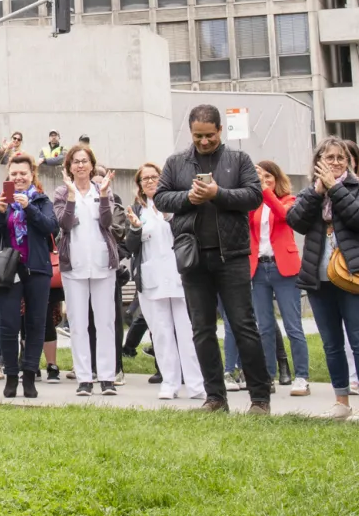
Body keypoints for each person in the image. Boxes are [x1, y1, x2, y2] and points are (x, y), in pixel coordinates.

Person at [155, 104, 271, 413]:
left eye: (209, 136)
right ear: (190, 133)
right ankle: (215, 397)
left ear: (220, 130)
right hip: (193, 257)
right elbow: (160, 197)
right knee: (202, 329)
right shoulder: (176, 162)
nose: (204, 142)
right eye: (197, 136)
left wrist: (217, 193)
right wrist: (187, 198)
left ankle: (260, 398)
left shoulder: (238, 160)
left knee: (244, 326)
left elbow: (254, 196)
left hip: (231, 256)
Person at [288, 138, 359, 422]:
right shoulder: (311, 193)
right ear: (318, 162)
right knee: (331, 344)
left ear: (350, 162)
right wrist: (317, 193)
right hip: (320, 278)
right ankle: (341, 400)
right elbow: (295, 221)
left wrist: (336, 188)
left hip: (354, 275)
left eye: (341, 158)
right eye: (328, 158)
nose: (335, 162)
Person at [123, 164, 204, 399]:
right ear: (139, 185)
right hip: (151, 278)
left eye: (153, 177)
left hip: (180, 277)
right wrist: (136, 229)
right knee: (161, 332)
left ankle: (196, 383)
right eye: (144, 179)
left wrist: (170, 217)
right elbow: (130, 246)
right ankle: (169, 382)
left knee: (187, 331)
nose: (149, 182)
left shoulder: (177, 204)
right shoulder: (138, 210)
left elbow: (190, 230)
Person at [0, 153, 61, 400]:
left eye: (23, 174)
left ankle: (29, 375)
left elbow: (51, 227)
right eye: (14, 174)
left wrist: (28, 209)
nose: (18, 178)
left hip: (37, 269)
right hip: (9, 270)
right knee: (8, 324)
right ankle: (11, 376)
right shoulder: (1, 201)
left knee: (36, 323)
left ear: (31, 175)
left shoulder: (41, 200)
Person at [52, 144, 124, 396]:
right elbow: (65, 223)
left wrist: (104, 195)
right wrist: (72, 196)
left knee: (105, 322)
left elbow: (107, 222)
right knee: (79, 323)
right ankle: (84, 377)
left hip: (103, 264)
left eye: (84, 161)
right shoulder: (62, 192)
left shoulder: (103, 190)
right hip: (75, 266)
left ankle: (107, 377)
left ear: (92, 165)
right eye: (75, 162)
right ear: (69, 167)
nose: (80, 165)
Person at [250, 160, 311, 396]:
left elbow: (284, 215)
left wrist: (264, 190)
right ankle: (267, 377)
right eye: (260, 176)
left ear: (277, 178)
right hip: (259, 268)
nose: (264, 180)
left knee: (293, 325)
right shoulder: (253, 205)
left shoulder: (288, 200)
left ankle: (302, 377)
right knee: (264, 327)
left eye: (269, 177)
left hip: (283, 267)